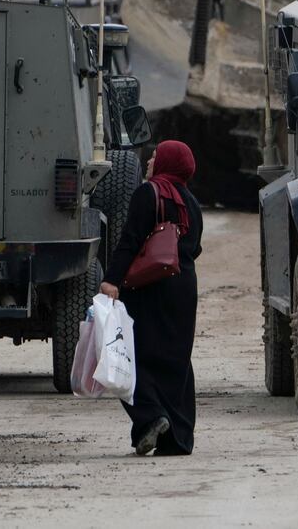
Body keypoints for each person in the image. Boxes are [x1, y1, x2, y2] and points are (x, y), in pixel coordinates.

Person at [100, 140, 202, 456]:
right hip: (183, 287)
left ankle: (150, 419)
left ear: (167, 162)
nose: (150, 160)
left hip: (148, 286)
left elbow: (130, 240)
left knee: (131, 355)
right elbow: (195, 248)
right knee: (177, 362)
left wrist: (111, 280)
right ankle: (179, 437)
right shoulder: (192, 202)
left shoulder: (149, 193)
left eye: (156, 156)